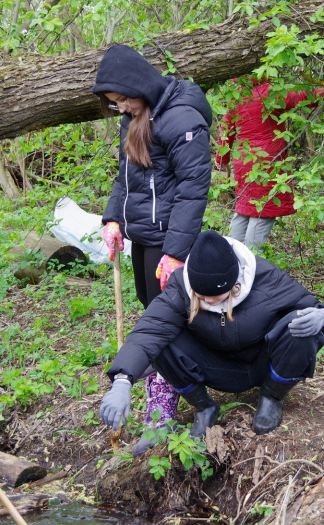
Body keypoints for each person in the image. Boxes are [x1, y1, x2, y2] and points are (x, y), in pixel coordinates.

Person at [99, 230, 324, 456]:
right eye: (201, 296)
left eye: (216, 295)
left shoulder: (265, 277)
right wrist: (122, 380)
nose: (209, 301)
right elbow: (149, 330)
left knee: (301, 323)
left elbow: (312, 306)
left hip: (261, 363)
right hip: (213, 367)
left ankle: (272, 397)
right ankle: (204, 407)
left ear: (234, 281)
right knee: (161, 340)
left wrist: (323, 316)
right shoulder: (180, 286)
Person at [93, 43, 213, 439]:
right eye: (114, 103)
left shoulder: (182, 119)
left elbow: (193, 190)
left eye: (123, 99)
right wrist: (113, 218)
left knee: (166, 322)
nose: (121, 108)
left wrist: (175, 253)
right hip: (143, 236)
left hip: (169, 240)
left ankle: (166, 410)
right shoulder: (136, 117)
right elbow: (125, 175)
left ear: (138, 86)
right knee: (152, 313)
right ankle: (165, 384)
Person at [216, 79, 324, 247]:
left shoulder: (237, 95)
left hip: (244, 162)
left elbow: (226, 129)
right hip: (268, 162)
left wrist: (222, 158)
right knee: (262, 210)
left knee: (244, 208)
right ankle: (252, 257)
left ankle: (230, 254)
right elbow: (303, 97)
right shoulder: (271, 92)